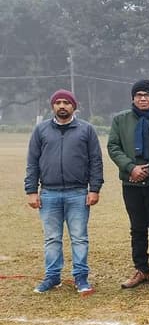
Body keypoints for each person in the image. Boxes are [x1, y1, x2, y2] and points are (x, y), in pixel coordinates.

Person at [25, 89, 104, 293]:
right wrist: (31, 190)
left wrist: (94, 189)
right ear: (53, 106)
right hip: (49, 193)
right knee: (52, 239)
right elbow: (32, 162)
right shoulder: (41, 130)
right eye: (58, 102)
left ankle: (81, 278)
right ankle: (52, 277)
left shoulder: (86, 130)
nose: (62, 106)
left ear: (73, 106)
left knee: (79, 238)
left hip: (78, 193)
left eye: (66, 103)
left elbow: (95, 161)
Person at [108, 79, 149, 290]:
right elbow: (113, 146)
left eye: (147, 95)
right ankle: (141, 269)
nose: (143, 98)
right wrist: (131, 168)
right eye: (139, 95)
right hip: (131, 183)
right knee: (137, 228)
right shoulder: (120, 120)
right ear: (133, 98)